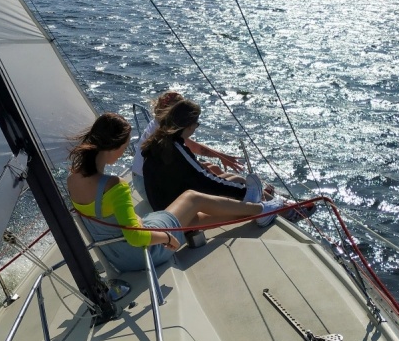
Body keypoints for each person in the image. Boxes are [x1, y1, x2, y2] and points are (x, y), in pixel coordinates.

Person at [67, 112, 283, 273]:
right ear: (113, 147)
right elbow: (135, 237)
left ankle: (254, 214)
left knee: (192, 217)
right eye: (124, 147)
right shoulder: (114, 185)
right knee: (192, 197)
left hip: (116, 256)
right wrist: (167, 236)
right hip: (142, 253)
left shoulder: (72, 179)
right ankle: (261, 209)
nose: (124, 152)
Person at [141, 99, 273, 211]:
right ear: (189, 125)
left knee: (235, 182)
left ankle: (269, 204)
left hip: (164, 206)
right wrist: (244, 192)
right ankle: (262, 209)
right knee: (220, 191)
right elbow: (206, 181)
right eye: (196, 124)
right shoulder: (175, 148)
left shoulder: (160, 142)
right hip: (175, 213)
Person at [131, 91, 243, 200]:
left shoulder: (163, 125)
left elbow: (192, 147)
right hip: (147, 186)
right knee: (235, 180)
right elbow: (192, 150)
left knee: (213, 168)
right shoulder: (165, 134)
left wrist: (222, 156)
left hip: (141, 179)